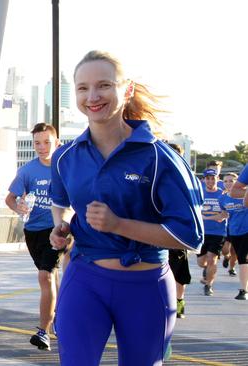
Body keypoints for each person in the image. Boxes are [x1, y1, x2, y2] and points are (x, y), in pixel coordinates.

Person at [49, 50, 204, 366]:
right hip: (84, 277)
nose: (92, 96)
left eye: (103, 85)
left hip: (146, 285)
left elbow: (191, 236)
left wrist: (118, 224)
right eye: (82, 88)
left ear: (127, 89)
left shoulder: (160, 157)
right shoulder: (65, 157)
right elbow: (62, 204)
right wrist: (61, 226)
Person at [5, 122, 64, 350]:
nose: (42, 147)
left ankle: (43, 331)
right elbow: (11, 198)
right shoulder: (27, 171)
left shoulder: (63, 169)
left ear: (56, 143)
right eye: (37, 143)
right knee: (51, 276)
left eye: (47, 142)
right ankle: (59, 313)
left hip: (56, 229)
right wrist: (17, 207)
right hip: (33, 232)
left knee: (45, 276)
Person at [165, 143, 192, 318]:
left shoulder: (186, 179)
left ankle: (179, 301)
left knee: (178, 273)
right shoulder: (157, 173)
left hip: (177, 234)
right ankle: (164, 303)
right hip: (156, 233)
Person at [196, 169, 228, 296]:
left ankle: (209, 285)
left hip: (218, 232)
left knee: (212, 259)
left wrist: (207, 217)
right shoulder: (199, 194)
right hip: (202, 232)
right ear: (203, 179)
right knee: (201, 263)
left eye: (213, 178)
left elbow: (225, 214)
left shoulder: (223, 195)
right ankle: (206, 271)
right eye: (207, 178)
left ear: (217, 178)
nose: (210, 181)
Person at [219, 172, 248, 300]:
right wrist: (205, 217)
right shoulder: (223, 199)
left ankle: (243, 290)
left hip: (247, 229)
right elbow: (223, 215)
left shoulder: (245, 194)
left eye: (232, 181)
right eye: (226, 181)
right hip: (234, 231)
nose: (229, 183)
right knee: (234, 255)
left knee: (243, 258)